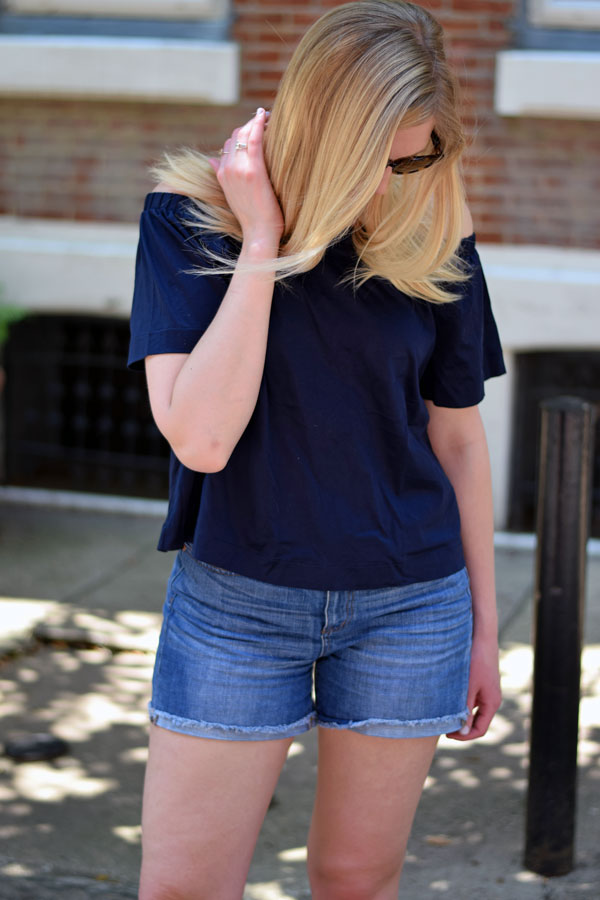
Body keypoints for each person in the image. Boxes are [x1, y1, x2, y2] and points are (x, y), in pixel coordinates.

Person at [127, 2, 506, 897]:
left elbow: (457, 439)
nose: (392, 181)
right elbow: (201, 439)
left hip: (410, 609)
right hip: (237, 605)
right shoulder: (190, 221)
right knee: (183, 887)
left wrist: (485, 631)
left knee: (355, 879)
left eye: (412, 159)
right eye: (378, 157)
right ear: (328, 130)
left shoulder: (430, 235)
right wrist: (263, 241)